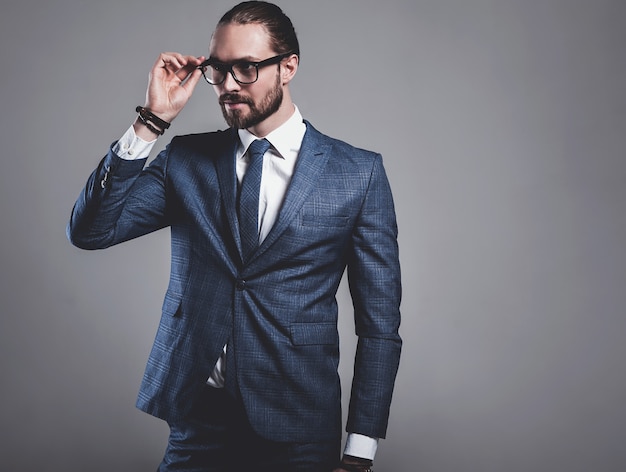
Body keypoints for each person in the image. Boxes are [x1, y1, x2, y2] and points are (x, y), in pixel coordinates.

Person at [67, 1, 401, 471]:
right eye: (218, 70)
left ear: (288, 67)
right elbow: (90, 231)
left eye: (246, 68)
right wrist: (152, 121)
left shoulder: (357, 174)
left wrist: (360, 450)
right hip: (197, 420)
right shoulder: (186, 160)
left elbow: (380, 327)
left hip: (299, 426)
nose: (226, 86)